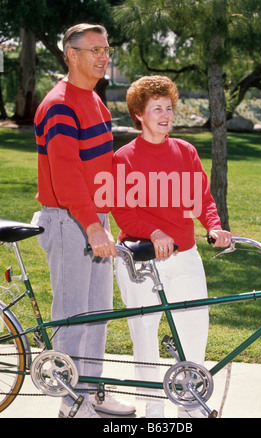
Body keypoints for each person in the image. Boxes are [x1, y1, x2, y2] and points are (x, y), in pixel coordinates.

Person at [112, 75, 231, 418]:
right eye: (156, 109)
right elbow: (123, 212)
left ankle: (190, 405)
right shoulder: (124, 158)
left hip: (185, 256)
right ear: (138, 114)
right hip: (141, 260)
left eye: (168, 108)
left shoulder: (185, 151)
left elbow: (203, 200)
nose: (165, 115)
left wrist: (214, 226)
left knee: (193, 330)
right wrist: (153, 233)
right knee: (146, 335)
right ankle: (153, 409)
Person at [34, 23, 135, 418]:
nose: (103, 56)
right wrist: (93, 226)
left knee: (98, 312)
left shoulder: (95, 102)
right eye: (94, 49)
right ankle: (70, 404)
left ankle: (91, 393)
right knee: (73, 315)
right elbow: (66, 174)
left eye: (106, 48)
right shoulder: (60, 104)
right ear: (70, 54)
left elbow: (101, 170)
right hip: (68, 220)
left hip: (95, 219)